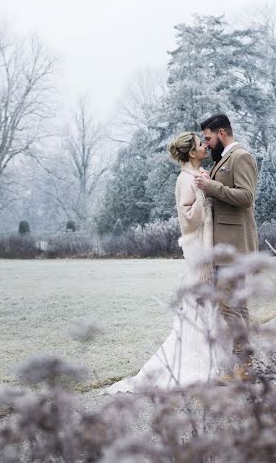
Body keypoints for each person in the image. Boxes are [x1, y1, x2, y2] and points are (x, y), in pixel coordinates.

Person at [103, 132, 230, 393]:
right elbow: (188, 218)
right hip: (197, 249)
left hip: (208, 245)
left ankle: (213, 360)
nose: (205, 146)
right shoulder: (186, 180)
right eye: (200, 144)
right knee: (199, 304)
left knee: (210, 304)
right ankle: (196, 363)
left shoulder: (199, 174)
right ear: (192, 153)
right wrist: (204, 195)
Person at [195, 113, 258, 381]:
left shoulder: (241, 156)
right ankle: (243, 366)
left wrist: (212, 186)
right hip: (225, 246)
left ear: (222, 133)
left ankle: (242, 365)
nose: (206, 144)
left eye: (208, 138)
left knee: (229, 306)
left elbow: (246, 197)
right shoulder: (224, 160)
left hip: (233, 246)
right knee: (237, 305)